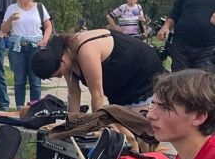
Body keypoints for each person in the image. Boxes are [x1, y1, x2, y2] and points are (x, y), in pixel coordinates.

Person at [31, 29, 164, 113]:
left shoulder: (86, 51)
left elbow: (97, 95)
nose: (60, 77)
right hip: (120, 82)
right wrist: (72, 123)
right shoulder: (64, 55)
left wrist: (96, 127)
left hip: (141, 71)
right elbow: (73, 92)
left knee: (136, 127)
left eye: (58, 74)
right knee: (120, 120)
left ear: (61, 60)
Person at [157, 0, 215, 72]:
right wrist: (166, 26)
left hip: (207, 48)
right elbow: (175, 11)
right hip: (181, 45)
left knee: (200, 85)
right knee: (179, 83)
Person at [0, 0, 53, 110]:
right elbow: (3, 29)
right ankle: (20, 109)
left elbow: (48, 26)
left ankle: (34, 109)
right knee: (19, 80)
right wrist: (10, 20)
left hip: (35, 46)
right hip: (17, 47)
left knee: (35, 81)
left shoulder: (39, 7)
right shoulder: (12, 8)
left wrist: (45, 40)